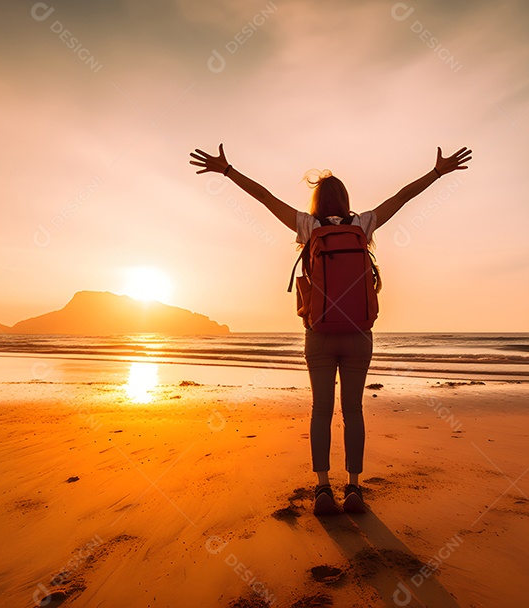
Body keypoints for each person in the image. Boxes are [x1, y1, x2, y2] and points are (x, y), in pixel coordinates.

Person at [189, 144, 472, 515]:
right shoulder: (362, 224)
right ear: (345, 200)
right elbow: (402, 197)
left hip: (319, 333)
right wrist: (438, 173)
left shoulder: (308, 227)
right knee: (353, 411)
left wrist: (227, 170)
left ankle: (323, 489)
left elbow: (263, 196)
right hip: (358, 334)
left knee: (321, 411)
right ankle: (354, 488)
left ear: (317, 202)